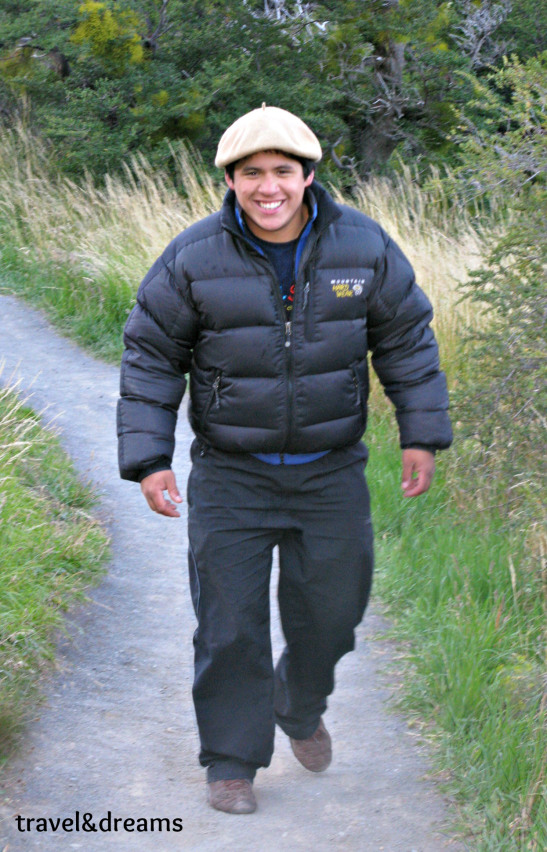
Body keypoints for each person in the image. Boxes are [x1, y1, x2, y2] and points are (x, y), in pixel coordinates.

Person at [117, 104, 452, 815]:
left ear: (306, 176)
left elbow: (406, 342)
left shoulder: (363, 247)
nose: (267, 188)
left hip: (331, 471)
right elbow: (151, 357)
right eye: (250, 174)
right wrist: (149, 458)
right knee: (230, 622)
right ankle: (231, 761)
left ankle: (298, 703)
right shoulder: (192, 257)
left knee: (332, 612)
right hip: (232, 474)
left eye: (281, 172)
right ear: (230, 180)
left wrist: (420, 435)